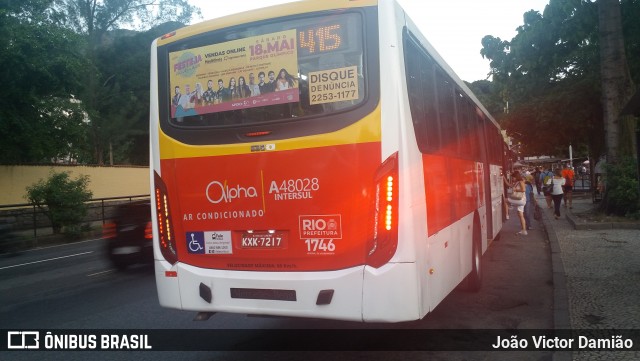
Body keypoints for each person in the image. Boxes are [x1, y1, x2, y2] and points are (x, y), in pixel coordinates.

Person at [509, 171, 528, 236]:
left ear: (516, 176)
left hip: (521, 200)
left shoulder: (520, 181)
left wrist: (516, 190)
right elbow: (509, 185)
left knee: (506, 200)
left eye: (513, 177)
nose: (513, 179)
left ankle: (507, 213)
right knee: (520, 215)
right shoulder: (517, 182)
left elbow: (523, 190)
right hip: (521, 200)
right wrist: (504, 179)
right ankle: (524, 230)